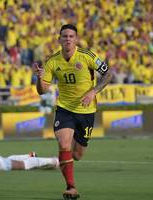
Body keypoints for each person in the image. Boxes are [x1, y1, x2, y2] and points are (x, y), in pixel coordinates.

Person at [32, 24, 112, 199]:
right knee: (64, 144)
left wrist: (93, 92)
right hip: (65, 109)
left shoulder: (87, 56)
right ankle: (71, 187)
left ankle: (66, 160)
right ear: (59, 39)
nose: (67, 39)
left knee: (77, 155)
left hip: (86, 110)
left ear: (76, 39)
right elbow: (42, 90)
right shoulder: (52, 61)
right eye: (64, 36)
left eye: (71, 36)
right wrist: (39, 79)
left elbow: (108, 74)